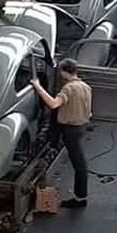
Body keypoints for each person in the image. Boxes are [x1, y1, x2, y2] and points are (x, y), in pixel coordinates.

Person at [31, 59, 92, 208]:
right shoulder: (85, 86)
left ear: (65, 72)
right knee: (79, 162)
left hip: (71, 130)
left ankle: (80, 198)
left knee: (79, 164)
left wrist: (38, 87)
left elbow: (53, 104)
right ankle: (80, 196)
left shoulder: (69, 88)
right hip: (81, 127)